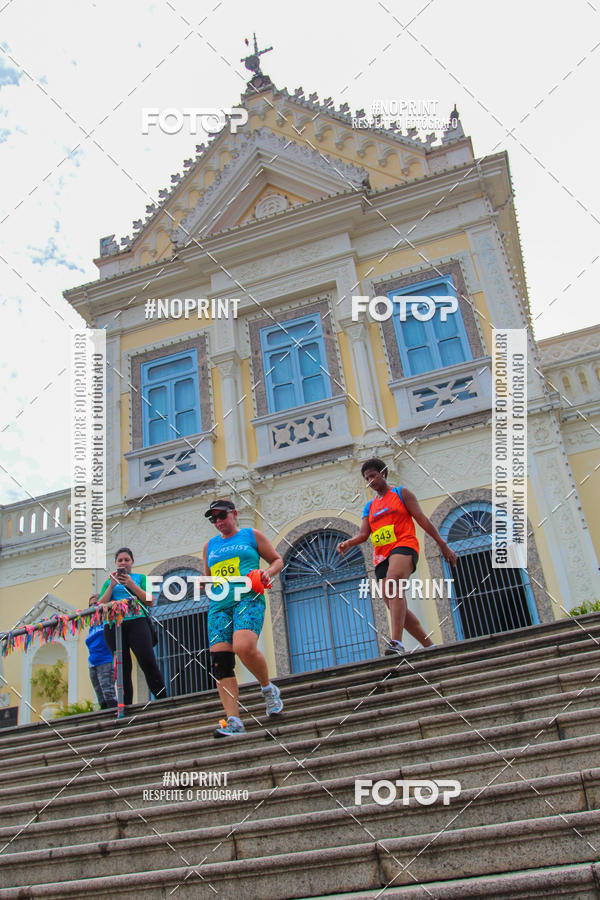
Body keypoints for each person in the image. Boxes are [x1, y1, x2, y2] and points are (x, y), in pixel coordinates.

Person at [337, 458, 457, 654]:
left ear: (383, 473)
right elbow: (364, 534)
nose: (371, 481)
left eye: (373, 476)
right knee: (393, 603)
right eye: (367, 478)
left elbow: (422, 519)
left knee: (394, 583)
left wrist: (442, 544)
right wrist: (348, 543)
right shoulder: (370, 506)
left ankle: (396, 643)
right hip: (381, 555)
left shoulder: (401, 494)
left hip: (404, 545)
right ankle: (430, 646)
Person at [203, 499, 284, 737]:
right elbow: (209, 577)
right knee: (221, 662)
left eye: (222, 516)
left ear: (234, 514)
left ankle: (268, 689)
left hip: (248, 598)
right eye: (213, 518)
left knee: (243, 646)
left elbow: (277, 560)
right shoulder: (210, 545)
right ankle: (234, 720)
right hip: (219, 606)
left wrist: (265, 573)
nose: (218, 522)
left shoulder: (251, 535)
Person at [98, 548, 166, 707]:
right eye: (120, 560)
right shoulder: (109, 582)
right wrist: (111, 586)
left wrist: (130, 583)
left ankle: (162, 699)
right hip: (115, 625)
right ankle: (125, 705)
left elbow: (149, 600)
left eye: (126, 560)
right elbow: (100, 606)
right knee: (123, 666)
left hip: (137, 621)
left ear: (132, 562)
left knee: (147, 660)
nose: (123, 563)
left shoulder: (140, 578)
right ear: (116, 563)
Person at [85, 594, 117, 709]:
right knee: (100, 696)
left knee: (108, 692)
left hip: (106, 660)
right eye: (90, 605)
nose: (92, 607)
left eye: (95, 604)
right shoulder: (91, 625)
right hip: (93, 663)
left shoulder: (108, 620)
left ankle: (115, 717)